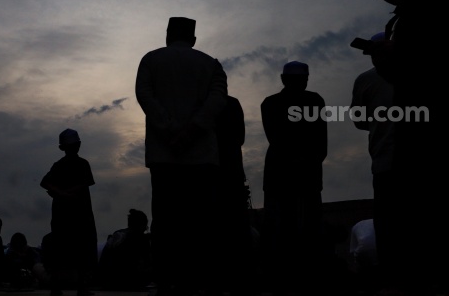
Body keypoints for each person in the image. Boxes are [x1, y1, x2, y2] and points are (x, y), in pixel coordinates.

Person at [357, 0, 449, 294]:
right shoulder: (396, 22)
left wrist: (401, 55)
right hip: (411, 137)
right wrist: (387, 62)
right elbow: (404, 77)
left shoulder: (440, 3)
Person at [135, 17, 228, 295]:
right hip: (201, 156)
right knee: (200, 220)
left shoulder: (151, 60)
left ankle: (165, 276)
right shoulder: (211, 64)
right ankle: (197, 277)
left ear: (167, 35)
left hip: (164, 154)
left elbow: (145, 96)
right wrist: (191, 131)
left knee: (164, 219)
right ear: (194, 39)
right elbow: (217, 102)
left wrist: (167, 128)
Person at [260, 61, 327, 295]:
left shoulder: (270, 103)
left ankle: (284, 277)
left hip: (284, 171)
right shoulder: (314, 100)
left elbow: (277, 137)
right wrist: (308, 160)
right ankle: (304, 277)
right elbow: (320, 138)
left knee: (285, 227)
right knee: (302, 226)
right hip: (300, 171)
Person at [350, 31, 393, 292]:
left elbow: (358, 120)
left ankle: (391, 276)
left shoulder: (366, 80)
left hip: (384, 159)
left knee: (388, 221)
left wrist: (379, 122)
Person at [40, 128, 98, 296]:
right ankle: (77, 287)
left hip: (68, 213)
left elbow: (46, 183)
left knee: (67, 248)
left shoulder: (64, 165)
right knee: (79, 248)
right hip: (77, 214)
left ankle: (62, 287)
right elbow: (83, 183)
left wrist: (61, 193)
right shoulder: (79, 164)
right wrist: (64, 194)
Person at [213, 95, 255, 295]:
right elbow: (241, 137)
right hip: (232, 172)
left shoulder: (205, 103)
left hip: (215, 174)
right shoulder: (232, 103)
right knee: (237, 227)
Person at [97, 209, 152, 291]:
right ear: (142, 226)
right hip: (126, 282)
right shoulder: (140, 239)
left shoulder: (117, 234)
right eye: (145, 227)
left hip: (107, 281)